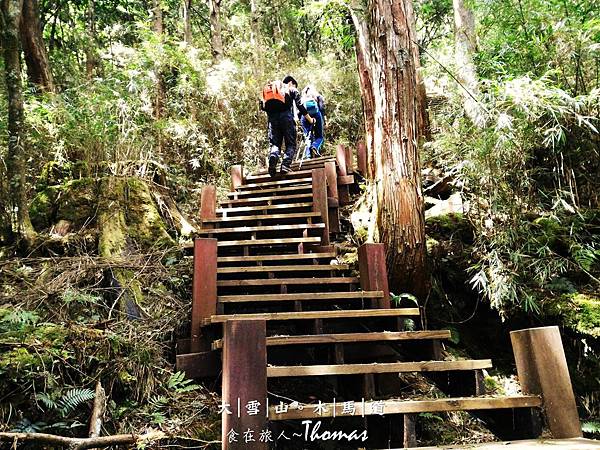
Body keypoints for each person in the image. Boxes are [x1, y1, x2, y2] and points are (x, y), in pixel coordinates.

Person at [260, 75, 315, 177]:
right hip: (286, 118)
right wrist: (310, 120)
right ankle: (285, 165)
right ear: (291, 82)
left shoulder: (273, 91)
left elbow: (262, 106)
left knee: (275, 144)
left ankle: (273, 158)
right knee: (291, 144)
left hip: (272, 119)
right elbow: (300, 106)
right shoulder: (291, 89)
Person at [299, 85, 325, 159]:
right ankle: (315, 146)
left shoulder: (302, 98)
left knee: (307, 137)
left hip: (304, 116)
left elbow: (299, 111)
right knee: (319, 136)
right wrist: (323, 119)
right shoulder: (318, 96)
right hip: (317, 115)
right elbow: (321, 108)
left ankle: (308, 156)